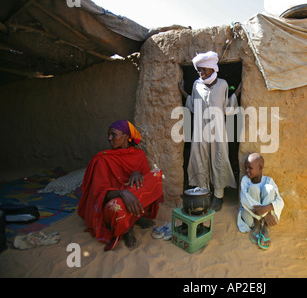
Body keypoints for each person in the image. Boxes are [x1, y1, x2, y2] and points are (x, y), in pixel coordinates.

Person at [77, 120, 164, 251]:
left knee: (155, 176)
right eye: (108, 135)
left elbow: (145, 182)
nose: (109, 139)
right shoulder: (103, 159)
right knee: (118, 206)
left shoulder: (138, 155)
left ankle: (135, 218)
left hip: (132, 196)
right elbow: (99, 194)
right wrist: (123, 193)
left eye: (113, 135)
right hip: (112, 202)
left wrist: (137, 173)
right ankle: (127, 230)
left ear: (127, 136)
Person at [178, 51, 241, 211]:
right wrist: (183, 92)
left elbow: (227, 107)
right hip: (199, 133)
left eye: (204, 69)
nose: (201, 73)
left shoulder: (223, 85)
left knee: (219, 159)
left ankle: (218, 195)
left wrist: (238, 91)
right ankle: (203, 193)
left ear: (213, 69)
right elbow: (193, 104)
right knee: (199, 160)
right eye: (199, 70)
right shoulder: (196, 85)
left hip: (218, 132)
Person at [237, 153, 284, 250]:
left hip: (266, 219)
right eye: (246, 168)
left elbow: (280, 201)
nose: (247, 171)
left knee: (270, 189)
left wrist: (267, 208)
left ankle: (266, 228)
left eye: (250, 168)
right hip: (250, 218)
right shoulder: (245, 180)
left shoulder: (269, 181)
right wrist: (266, 215)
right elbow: (245, 199)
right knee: (253, 189)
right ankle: (257, 225)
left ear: (260, 168)